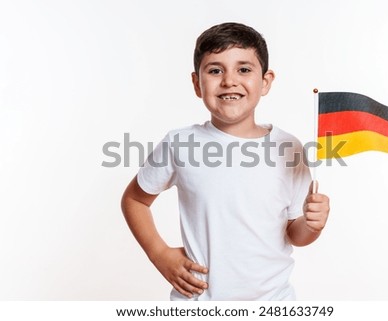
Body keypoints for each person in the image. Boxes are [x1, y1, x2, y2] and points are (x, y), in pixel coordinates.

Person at [121, 22, 330, 301]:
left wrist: (312, 225)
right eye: (215, 70)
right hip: (199, 303)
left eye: (243, 69)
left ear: (265, 81)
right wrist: (160, 254)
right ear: (197, 83)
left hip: (273, 304)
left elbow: (295, 233)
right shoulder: (180, 143)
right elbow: (135, 200)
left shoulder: (289, 148)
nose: (229, 80)